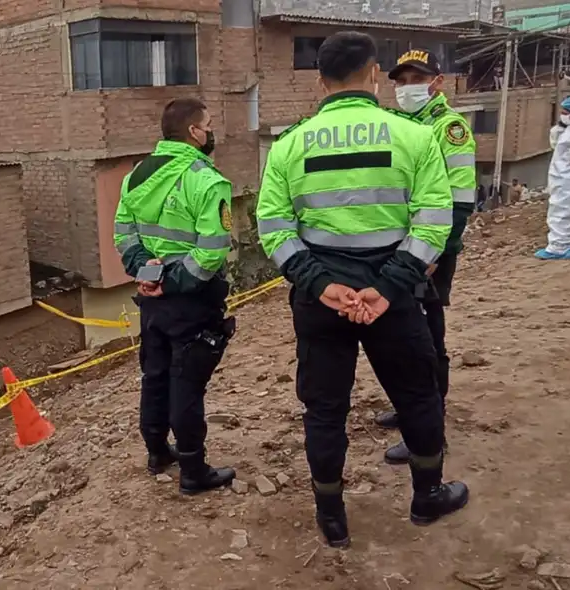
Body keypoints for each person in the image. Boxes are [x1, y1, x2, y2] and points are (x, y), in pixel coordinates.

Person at [256, 31, 469, 548]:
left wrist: (318, 283)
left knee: (325, 410)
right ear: (374, 74)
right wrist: (390, 287)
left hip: (319, 299)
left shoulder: (288, 145)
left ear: (321, 79)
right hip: (392, 298)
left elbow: (272, 228)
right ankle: (426, 496)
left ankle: (331, 517)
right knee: (418, 396)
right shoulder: (413, 137)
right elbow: (435, 219)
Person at [113, 98, 237, 495]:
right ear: (194, 133)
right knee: (186, 384)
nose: (211, 131)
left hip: (152, 299)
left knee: (155, 374)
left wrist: (145, 273)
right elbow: (213, 249)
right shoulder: (206, 179)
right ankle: (193, 470)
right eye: (208, 125)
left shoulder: (136, 174)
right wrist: (176, 280)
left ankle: (156, 451)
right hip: (191, 300)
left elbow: (124, 233)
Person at [373, 48, 478, 464]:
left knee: (428, 337)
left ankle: (433, 427)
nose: (405, 88)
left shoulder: (448, 127)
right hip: (408, 247)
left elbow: (460, 201)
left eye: (416, 80)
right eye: (400, 81)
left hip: (431, 249)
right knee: (404, 334)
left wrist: (436, 253)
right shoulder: (405, 125)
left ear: (437, 82)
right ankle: (409, 409)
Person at [536, 96, 570, 260]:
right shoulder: (567, 129)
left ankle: (560, 246)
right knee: (562, 210)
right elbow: (555, 141)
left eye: (566, 112)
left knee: (563, 211)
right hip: (562, 178)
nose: (562, 115)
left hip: (568, 179)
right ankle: (561, 244)